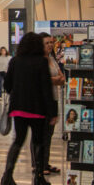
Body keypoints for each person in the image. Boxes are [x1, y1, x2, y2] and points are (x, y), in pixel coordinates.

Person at [0, 32, 58, 185]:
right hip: (37, 109)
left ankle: (8, 174)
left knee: (18, 140)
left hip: (18, 109)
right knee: (38, 141)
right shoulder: (41, 62)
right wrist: (53, 112)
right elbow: (46, 89)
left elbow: (7, 85)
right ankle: (39, 177)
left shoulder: (15, 61)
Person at [35, 32, 66, 176]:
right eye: (46, 43)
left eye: (50, 43)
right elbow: (41, 79)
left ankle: (45, 162)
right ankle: (38, 164)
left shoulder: (52, 59)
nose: (49, 45)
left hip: (54, 99)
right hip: (41, 101)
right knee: (40, 133)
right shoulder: (37, 60)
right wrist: (54, 79)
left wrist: (52, 79)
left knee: (49, 133)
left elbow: (62, 78)